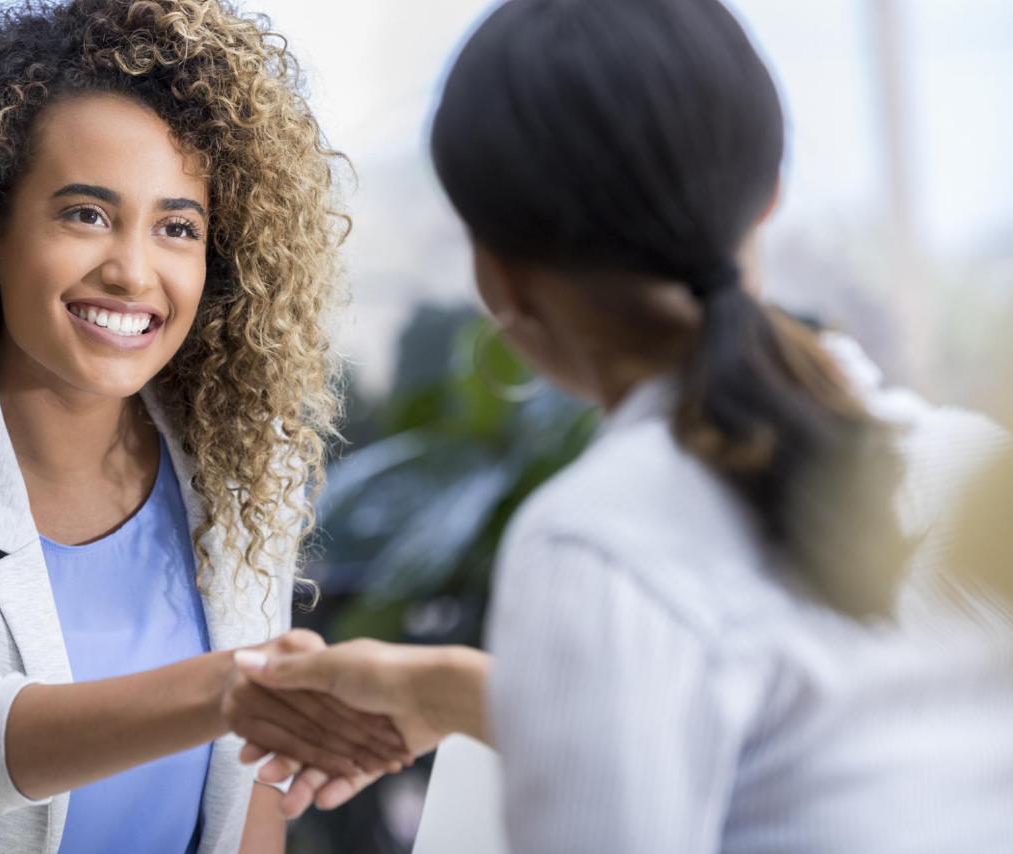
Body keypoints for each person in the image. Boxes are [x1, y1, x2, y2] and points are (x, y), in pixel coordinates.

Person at [231, 0, 1013, 851]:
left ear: (497, 278)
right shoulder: (972, 467)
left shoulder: (598, 545)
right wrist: (448, 691)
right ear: (768, 199)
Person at [0, 2, 410, 852]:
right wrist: (236, 688)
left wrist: (259, 704)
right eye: (87, 214)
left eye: (177, 227)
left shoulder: (240, 469)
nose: (134, 272)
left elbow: (248, 792)